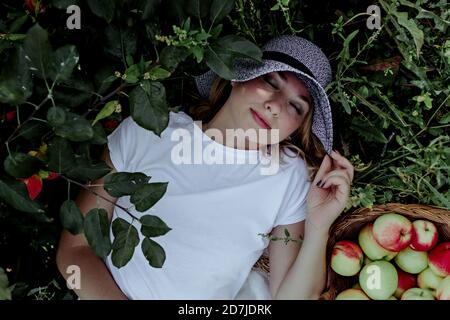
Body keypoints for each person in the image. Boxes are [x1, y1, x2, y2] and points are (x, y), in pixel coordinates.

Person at [56, 35, 354, 300]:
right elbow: (73, 252)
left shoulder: (287, 177)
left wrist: (319, 227)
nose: (275, 106)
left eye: (295, 106)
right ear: (238, 75)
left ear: (298, 127)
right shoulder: (148, 131)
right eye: (270, 82)